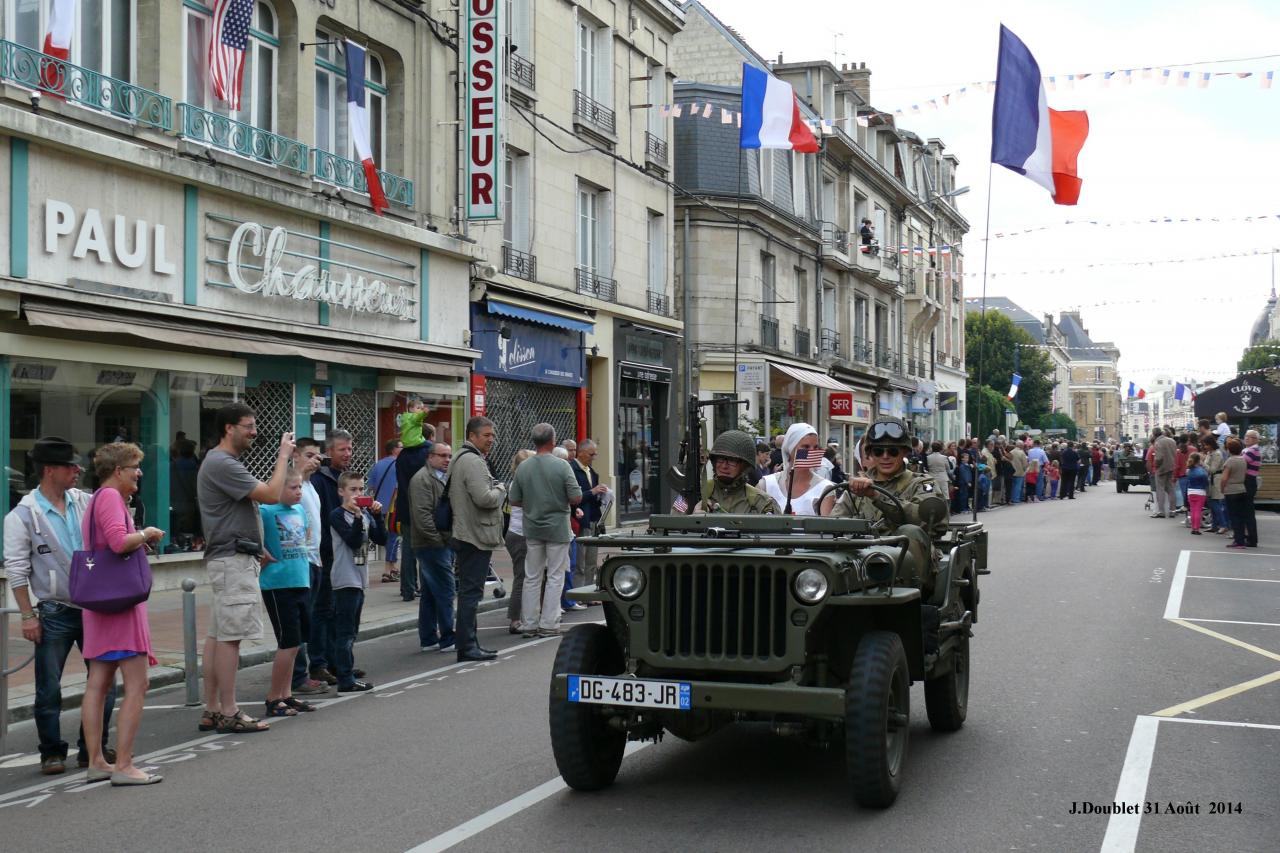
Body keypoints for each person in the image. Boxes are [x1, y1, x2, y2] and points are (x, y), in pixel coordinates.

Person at [4, 437, 117, 775]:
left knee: (105, 681)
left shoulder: (86, 501)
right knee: (48, 686)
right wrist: (27, 615)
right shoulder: (23, 515)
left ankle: (92, 747)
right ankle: (51, 751)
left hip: (94, 606)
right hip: (54, 609)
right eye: (70, 466)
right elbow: (16, 570)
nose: (77, 470)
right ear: (49, 470)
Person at [197, 403, 293, 734]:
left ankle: (212, 708)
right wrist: (283, 457)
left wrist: (257, 544)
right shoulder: (222, 463)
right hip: (232, 561)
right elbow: (269, 494)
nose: (254, 431)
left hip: (234, 556)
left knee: (217, 636)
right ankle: (229, 710)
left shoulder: (220, 462)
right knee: (230, 638)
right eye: (248, 426)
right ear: (228, 428)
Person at [77, 442, 164, 786]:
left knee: (97, 683)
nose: (139, 473)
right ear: (118, 471)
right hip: (120, 605)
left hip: (100, 604)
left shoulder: (97, 498)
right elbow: (116, 542)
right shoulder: (111, 497)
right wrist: (146, 533)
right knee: (137, 683)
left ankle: (97, 760)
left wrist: (135, 537)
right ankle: (124, 764)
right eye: (134, 467)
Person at [831, 417, 949, 594]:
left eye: (893, 451)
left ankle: (908, 599)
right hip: (862, 564)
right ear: (870, 454)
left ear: (904, 453)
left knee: (909, 531)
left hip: (909, 572)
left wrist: (876, 495)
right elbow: (834, 523)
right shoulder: (855, 488)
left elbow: (928, 522)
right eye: (878, 451)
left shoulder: (922, 483)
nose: (885, 456)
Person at [512, 424, 583, 638]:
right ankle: (549, 623)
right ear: (553, 441)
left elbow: (514, 499)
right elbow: (576, 497)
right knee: (555, 575)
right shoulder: (562, 466)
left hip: (532, 526)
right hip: (557, 527)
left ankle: (530, 623)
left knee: (531, 576)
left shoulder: (524, 467)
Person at [258, 470, 317, 719]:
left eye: (300, 488)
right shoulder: (265, 511)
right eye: (292, 488)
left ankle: (286, 692)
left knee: (297, 642)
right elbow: (252, 536)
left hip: (300, 579)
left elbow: (306, 536)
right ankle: (274, 696)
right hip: (277, 583)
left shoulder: (300, 511)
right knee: (287, 641)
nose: (298, 492)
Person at [448, 416, 507, 662]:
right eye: (486, 435)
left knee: (468, 592)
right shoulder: (472, 461)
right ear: (472, 436)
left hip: (467, 532)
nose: (491, 440)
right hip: (474, 534)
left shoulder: (463, 458)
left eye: (492, 435)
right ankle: (467, 646)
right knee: (471, 593)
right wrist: (501, 489)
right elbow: (484, 498)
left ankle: (468, 644)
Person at [328, 472, 386, 691]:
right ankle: (344, 678)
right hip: (345, 578)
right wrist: (359, 517)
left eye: (361, 490)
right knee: (344, 632)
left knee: (352, 630)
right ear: (341, 491)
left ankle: (347, 672)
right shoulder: (337, 515)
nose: (358, 494)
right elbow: (353, 540)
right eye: (353, 490)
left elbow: (381, 539)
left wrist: (377, 515)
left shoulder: (364, 514)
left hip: (360, 578)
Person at [309, 430, 354, 685]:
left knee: (338, 610)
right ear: (329, 451)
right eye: (341, 450)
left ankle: (338, 662)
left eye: (349, 449)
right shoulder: (320, 480)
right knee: (323, 609)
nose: (347, 454)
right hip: (326, 552)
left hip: (342, 551)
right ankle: (319, 663)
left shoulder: (343, 478)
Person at [290, 438, 329, 697]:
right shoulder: (291, 485)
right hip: (299, 560)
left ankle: (307, 671)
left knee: (311, 618)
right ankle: (298, 676)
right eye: (309, 455)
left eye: (318, 456)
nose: (315, 460)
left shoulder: (311, 485)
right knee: (300, 622)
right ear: (295, 455)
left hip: (314, 559)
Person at [409, 443, 456, 653]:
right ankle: (448, 637)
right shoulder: (422, 479)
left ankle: (428, 638)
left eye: (449, 456)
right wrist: (438, 540)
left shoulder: (441, 477)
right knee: (446, 589)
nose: (447, 459)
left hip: (441, 541)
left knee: (430, 591)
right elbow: (423, 516)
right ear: (430, 457)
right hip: (431, 544)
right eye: (442, 456)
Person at [395, 408, 434, 603]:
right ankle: (427, 587)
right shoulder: (427, 452)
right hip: (424, 507)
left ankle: (408, 589)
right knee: (427, 548)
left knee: (409, 550)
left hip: (405, 506)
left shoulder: (401, 456)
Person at [694, 430, 780, 514]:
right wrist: (693, 519)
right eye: (720, 459)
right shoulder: (696, 492)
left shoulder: (763, 504)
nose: (724, 466)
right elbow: (681, 519)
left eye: (732, 461)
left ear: (745, 466)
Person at [761, 423, 834, 515]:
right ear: (791, 448)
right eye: (806, 447)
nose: (811, 452)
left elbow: (826, 526)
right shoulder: (766, 484)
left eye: (815, 447)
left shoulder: (825, 488)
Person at [503, 449, 535, 634]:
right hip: (520, 534)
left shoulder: (518, 482)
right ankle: (515, 619)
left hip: (518, 533)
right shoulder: (522, 483)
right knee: (522, 577)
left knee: (526, 576)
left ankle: (523, 616)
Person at [572, 439, 608, 586]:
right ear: (580, 453)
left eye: (595, 455)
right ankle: (579, 592)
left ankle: (588, 592)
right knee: (580, 561)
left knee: (592, 561)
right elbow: (573, 497)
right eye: (591, 454)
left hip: (593, 519)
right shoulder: (572, 469)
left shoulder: (591, 471)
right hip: (581, 520)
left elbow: (593, 497)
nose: (593, 458)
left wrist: (602, 495)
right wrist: (592, 492)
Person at [368, 439, 402, 586]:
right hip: (393, 507)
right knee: (393, 538)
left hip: (378, 507)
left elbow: (372, 487)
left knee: (388, 538)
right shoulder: (398, 465)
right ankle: (388, 570)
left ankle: (393, 567)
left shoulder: (378, 464)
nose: (403, 449)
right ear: (394, 449)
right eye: (401, 447)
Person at [1220, 437, 1255, 549]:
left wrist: (1222, 488)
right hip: (1242, 489)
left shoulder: (1229, 461)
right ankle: (1241, 540)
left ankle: (1238, 541)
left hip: (1231, 491)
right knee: (1241, 516)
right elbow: (1245, 474)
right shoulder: (1243, 460)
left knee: (1233, 517)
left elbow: (1224, 478)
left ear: (1229, 450)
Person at [1201, 435, 1229, 535]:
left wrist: (1202, 463)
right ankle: (1214, 525)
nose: (1205, 447)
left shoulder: (1217, 454)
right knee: (1212, 503)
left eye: (1206, 445)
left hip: (1216, 480)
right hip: (1211, 480)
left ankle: (1223, 525)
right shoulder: (1210, 453)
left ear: (1211, 444)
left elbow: (1212, 469)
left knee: (1215, 503)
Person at [1150, 429, 1178, 519]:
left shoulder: (1158, 443)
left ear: (1154, 435)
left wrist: (1157, 466)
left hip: (1162, 468)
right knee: (1171, 489)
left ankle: (1161, 511)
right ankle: (1172, 510)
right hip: (1171, 466)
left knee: (1160, 489)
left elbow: (1159, 457)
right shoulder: (1172, 441)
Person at [1186, 453, 1208, 536]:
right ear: (1199, 461)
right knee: (1198, 510)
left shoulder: (1188, 470)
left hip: (1190, 491)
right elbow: (1205, 481)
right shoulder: (1201, 471)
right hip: (1200, 491)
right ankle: (1197, 528)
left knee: (1192, 510)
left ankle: (1193, 528)